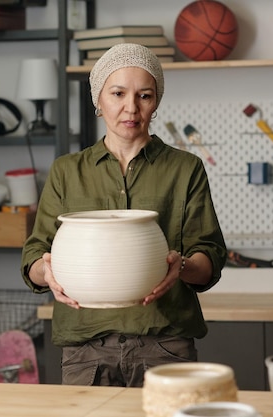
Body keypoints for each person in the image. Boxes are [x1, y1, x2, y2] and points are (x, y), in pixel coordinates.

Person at [21, 43, 227, 387]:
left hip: (165, 345)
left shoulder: (185, 168)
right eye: (118, 93)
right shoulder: (66, 171)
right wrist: (49, 271)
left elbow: (210, 256)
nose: (131, 108)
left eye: (144, 96)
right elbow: (34, 256)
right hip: (86, 347)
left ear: (156, 101)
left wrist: (182, 267)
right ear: (98, 100)